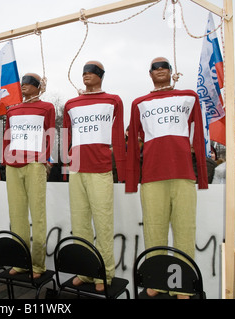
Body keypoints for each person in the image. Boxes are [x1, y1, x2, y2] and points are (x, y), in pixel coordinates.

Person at [125, 57, 208, 298]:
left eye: (164, 66)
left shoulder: (189, 96)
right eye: (155, 67)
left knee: (185, 230)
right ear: (149, 73)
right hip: (151, 176)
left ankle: (183, 284)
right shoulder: (139, 103)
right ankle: (156, 279)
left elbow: (198, 136)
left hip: (183, 174)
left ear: (172, 72)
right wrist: (132, 179)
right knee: (154, 231)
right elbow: (133, 146)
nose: (159, 70)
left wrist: (202, 175)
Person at [63, 61, 126, 291]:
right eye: (84, 71)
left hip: (100, 167)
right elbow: (66, 135)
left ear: (101, 75)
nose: (87, 74)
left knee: (103, 223)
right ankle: (86, 271)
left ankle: (104, 274)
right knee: (79, 223)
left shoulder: (113, 100)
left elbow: (118, 136)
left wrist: (122, 170)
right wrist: (64, 171)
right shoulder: (71, 104)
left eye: (92, 71)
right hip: (76, 168)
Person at [3, 73, 55, 278]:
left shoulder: (47, 107)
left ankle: (38, 264)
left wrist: (46, 160)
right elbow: (7, 134)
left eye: (30, 82)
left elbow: (51, 133)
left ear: (39, 86)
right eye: (22, 82)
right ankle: (20, 260)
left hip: (34, 163)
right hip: (13, 164)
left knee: (38, 214)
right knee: (16, 215)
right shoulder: (12, 109)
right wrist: (5, 157)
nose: (24, 85)